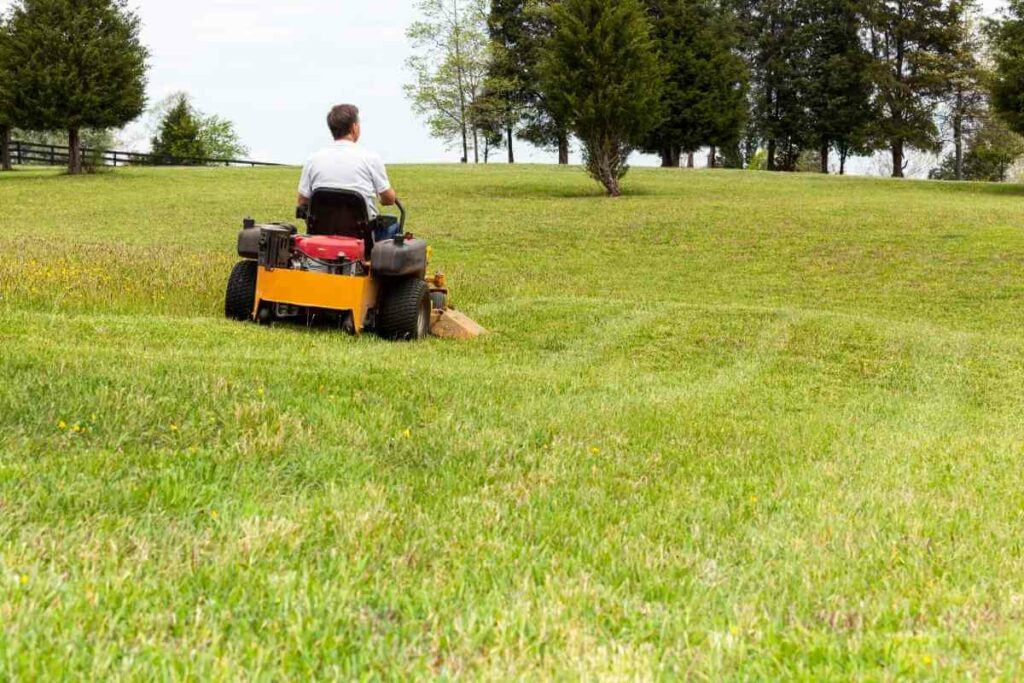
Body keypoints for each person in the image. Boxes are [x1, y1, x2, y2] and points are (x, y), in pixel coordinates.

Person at [297, 104, 401, 240]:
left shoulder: (313, 159)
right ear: (354, 127)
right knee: (394, 226)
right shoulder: (370, 158)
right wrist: (388, 197)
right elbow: (388, 199)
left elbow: (302, 202)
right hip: (363, 237)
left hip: (321, 235)